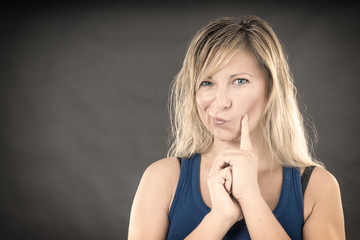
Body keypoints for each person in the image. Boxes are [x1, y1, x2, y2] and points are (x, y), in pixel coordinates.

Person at [128, 15, 345, 239]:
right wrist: (220, 217)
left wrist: (251, 197)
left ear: (271, 88)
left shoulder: (318, 186)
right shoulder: (162, 178)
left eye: (239, 81)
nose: (221, 102)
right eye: (207, 83)